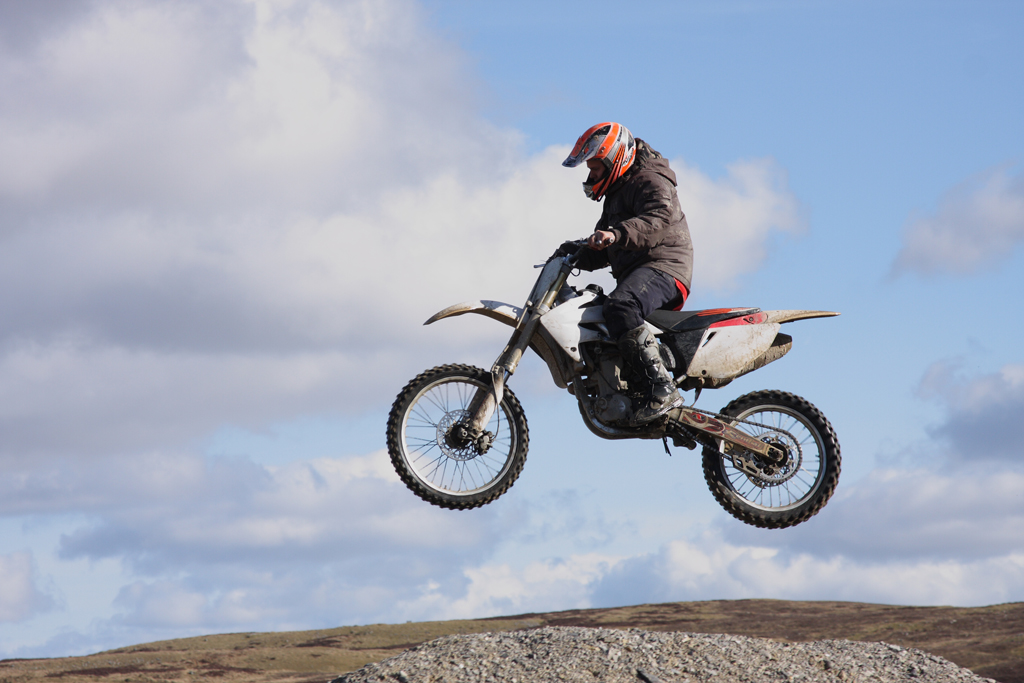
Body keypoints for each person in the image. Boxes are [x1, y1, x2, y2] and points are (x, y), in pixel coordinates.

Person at [561, 122, 694, 425]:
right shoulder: (618, 192)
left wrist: (614, 234)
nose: (591, 175)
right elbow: (609, 246)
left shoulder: (651, 180)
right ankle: (632, 386)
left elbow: (656, 220)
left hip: (664, 268)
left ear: (614, 158)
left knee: (620, 305)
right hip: (640, 270)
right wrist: (574, 252)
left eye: (594, 167)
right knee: (597, 311)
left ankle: (662, 388)